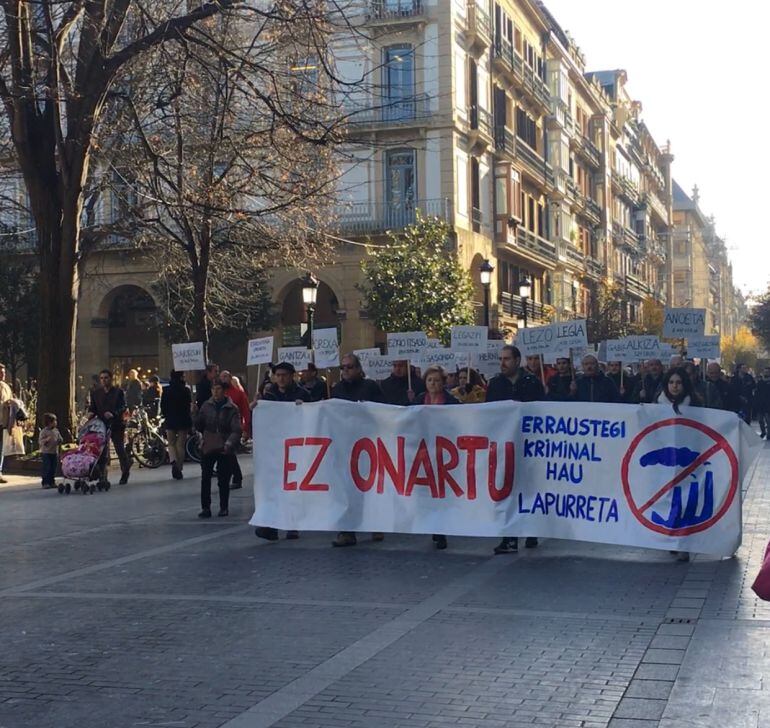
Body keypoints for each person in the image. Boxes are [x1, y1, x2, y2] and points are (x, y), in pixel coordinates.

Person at [486, 345, 544, 554]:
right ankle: (509, 538)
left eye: (507, 359)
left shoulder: (532, 382)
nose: (502, 363)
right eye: (501, 359)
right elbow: (488, 412)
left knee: (528, 488)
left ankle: (531, 529)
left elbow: (541, 410)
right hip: (505, 445)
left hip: (528, 444)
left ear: (518, 361)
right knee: (507, 489)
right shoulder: (495, 384)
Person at [253, 362, 312, 542]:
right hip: (275, 448)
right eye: (278, 375)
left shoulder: (303, 394)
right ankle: (271, 525)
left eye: (284, 375)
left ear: (292, 375)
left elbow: (315, 416)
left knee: (293, 487)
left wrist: (305, 408)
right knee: (274, 486)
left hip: (296, 447)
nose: (281, 378)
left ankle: (292, 525)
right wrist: (256, 408)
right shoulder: (269, 395)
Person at [330, 353, 385, 547]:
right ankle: (347, 531)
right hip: (345, 446)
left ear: (359, 369)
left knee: (369, 487)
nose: (345, 371)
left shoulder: (370, 387)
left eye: (349, 367)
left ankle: (375, 523)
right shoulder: (336, 389)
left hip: (368, 444)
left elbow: (382, 411)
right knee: (346, 489)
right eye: (342, 367)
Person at [411, 366, 459, 550]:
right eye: (430, 380)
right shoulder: (418, 400)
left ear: (443, 382)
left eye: (437, 380)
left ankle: (440, 529)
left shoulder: (450, 402)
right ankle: (433, 525)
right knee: (428, 491)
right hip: (423, 451)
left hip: (444, 452)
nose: (433, 383)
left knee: (441, 491)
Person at [195, 380, 241, 518]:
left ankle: (223, 507)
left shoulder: (231, 408)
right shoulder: (206, 406)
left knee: (223, 479)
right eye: (213, 389)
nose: (215, 391)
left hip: (224, 446)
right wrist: (194, 414)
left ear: (224, 390)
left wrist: (229, 443)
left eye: (218, 389)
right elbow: (198, 426)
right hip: (208, 445)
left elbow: (236, 429)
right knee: (206, 477)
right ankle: (205, 507)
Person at [89, 369, 131, 484]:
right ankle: (103, 476)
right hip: (102, 424)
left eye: (106, 378)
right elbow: (93, 407)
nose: (103, 380)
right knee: (102, 450)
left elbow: (123, 406)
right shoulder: (96, 393)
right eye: (101, 378)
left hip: (116, 424)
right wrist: (91, 413)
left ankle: (125, 470)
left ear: (111, 379)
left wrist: (114, 413)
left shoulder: (118, 392)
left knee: (119, 448)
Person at [220, 370, 251, 490]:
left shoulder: (238, 393)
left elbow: (245, 411)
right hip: (220, 429)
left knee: (229, 453)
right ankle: (231, 477)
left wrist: (246, 428)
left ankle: (237, 478)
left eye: (226, 376)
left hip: (234, 429)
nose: (223, 379)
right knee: (224, 454)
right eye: (221, 377)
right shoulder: (218, 394)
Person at [161, 370, 192, 480]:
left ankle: (173, 460)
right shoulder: (186, 390)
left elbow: (163, 406)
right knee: (180, 444)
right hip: (183, 419)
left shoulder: (166, 390)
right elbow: (188, 406)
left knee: (171, 443)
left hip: (170, 419)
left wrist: (166, 415)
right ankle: (179, 467)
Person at [39, 413, 62, 489]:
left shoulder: (56, 431)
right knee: (47, 467)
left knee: (53, 467)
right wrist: (46, 440)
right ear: (49, 422)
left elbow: (59, 438)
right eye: (54, 421)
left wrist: (59, 440)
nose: (56, 423)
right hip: (46, 452)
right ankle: (45, 482)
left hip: (54, 452)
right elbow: (41, 442)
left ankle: (52, 481)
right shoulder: (44, 431)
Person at [0, 363, 11, 483]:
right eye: (0, 372)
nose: (3, 375)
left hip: (3, 421)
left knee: (1, 448)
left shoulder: (6, 386)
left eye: (3, 372)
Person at [754, 367, 770, 438]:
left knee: (768, 420)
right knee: (760, 420)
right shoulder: (760, 382)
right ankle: (763, 432)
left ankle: (769, 434)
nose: (766, 373)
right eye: (765, 371)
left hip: (768, 404)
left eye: (767, 372)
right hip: (760, 404)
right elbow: (756, 393)